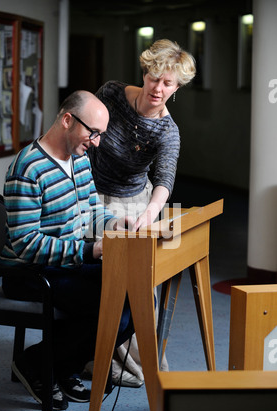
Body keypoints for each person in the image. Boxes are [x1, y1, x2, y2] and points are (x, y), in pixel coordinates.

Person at [0, 90, 134, 411]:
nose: (97, 142)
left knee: (130, 295)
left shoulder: (80, 158)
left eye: (101, 134)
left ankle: (59, 367)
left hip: (66, 264)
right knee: (107, 304)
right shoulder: (28, 169)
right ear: (67, 120)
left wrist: (115, 224)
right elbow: (26, 244)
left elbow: (90, 210)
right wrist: (91, 252)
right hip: (28, 272)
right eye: (94, 132)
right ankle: (35, 363)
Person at [88, 39, 196, 387]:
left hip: (134, 204)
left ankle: (130, 357)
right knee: (93, 278)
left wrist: (149, 214)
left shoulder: (168, 131)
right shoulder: (112, 94)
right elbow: (84, 131)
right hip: (89, 194)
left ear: (177, 87)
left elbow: (164, 179)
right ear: (145, 72)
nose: (158, 88)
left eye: (168, 83)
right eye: (154, 78)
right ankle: (91, 356)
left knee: (136, 284)